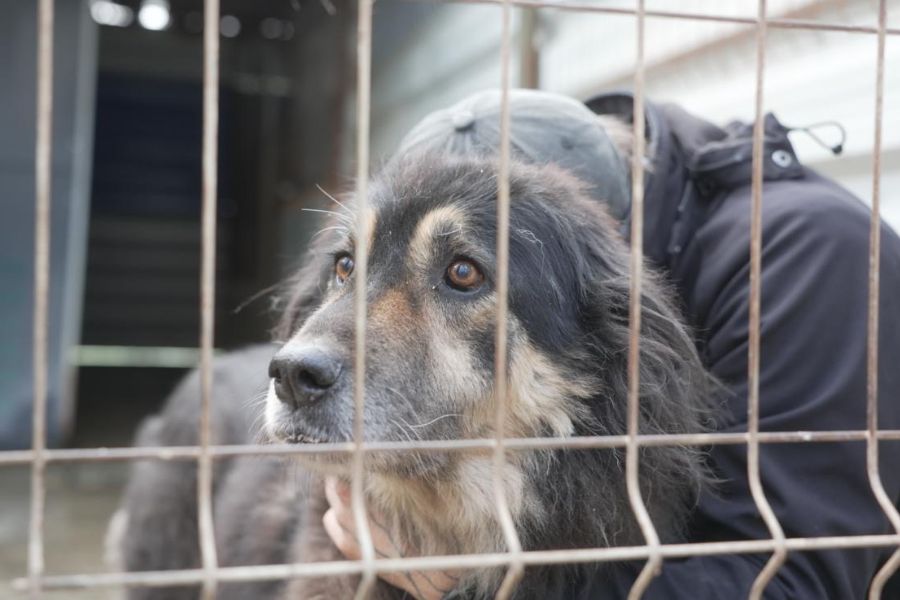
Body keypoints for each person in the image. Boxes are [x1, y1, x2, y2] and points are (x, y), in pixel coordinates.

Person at [321, 89, 900, 599]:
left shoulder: (811, 259)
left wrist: (469, 573)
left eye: (462, 274)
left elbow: (794, 586)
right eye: (353, 264)